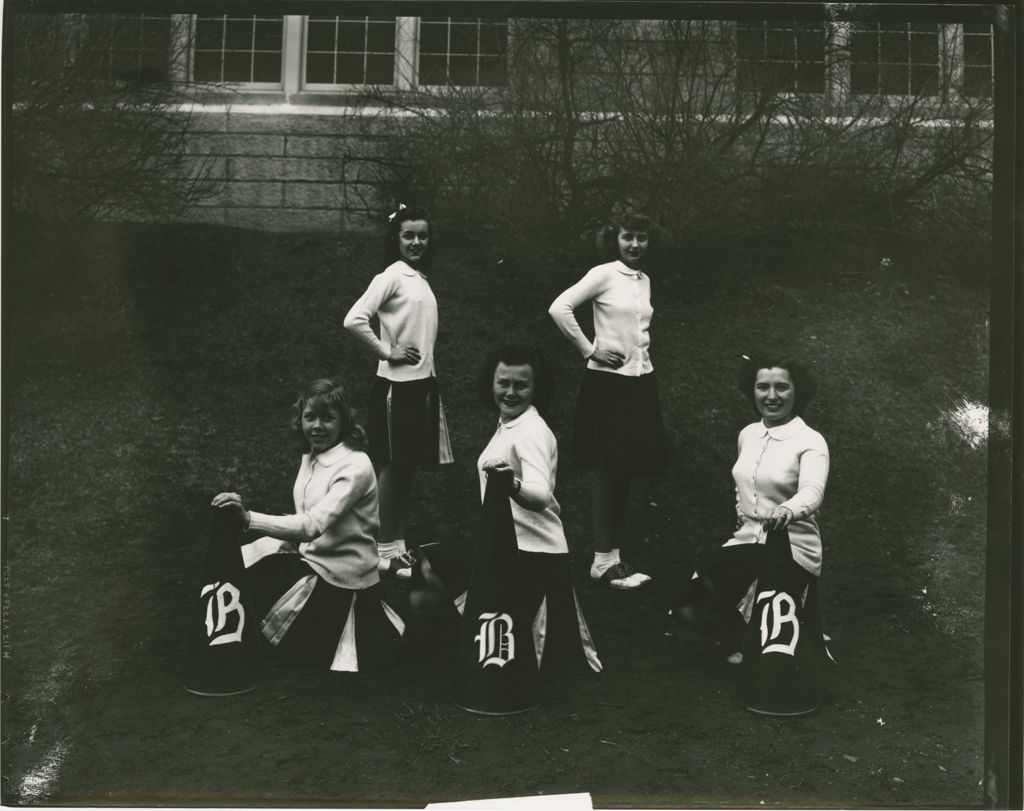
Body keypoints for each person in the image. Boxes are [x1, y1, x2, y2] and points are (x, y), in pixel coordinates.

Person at [412, 344, 602, 677]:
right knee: (428, 568)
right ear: (491, 383)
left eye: (521, 385)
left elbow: (541, 494)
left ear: (536, 388)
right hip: (506, 545)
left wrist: (511, 484)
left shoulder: (531, 432)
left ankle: (435, 649)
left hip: (533, 555)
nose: (510, 392)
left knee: (428, 567)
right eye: (504, 383)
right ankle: (443, 647)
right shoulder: (511, 425)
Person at [211, 379, 405, 671]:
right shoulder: (311, 456)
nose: (317, 426)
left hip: (340, 579)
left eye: (328, 418)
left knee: (295, 646)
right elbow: (305, 520)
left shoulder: (356, 466)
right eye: (309, 417)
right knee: (248, 558)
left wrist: (249, 518)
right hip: (313, 558)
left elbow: (312, 524)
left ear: (344, 422)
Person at [669, 355, 830, 663]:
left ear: (798, 391)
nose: (771, 396)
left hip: (793, 547)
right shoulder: (747, 434)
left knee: (731, 573)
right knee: (692, 597)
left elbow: (813, 492)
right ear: (751, 390)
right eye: (762, 387)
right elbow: (741, 486)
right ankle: (744, 634)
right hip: (747, 540)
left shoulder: (811, 441)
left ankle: (766, 634)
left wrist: (786, 511)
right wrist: (744, 525)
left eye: (781, 387)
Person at [548, 211, 670, 590]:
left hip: (639, 384)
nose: (634, 245)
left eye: (641, 238)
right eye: (628, 237)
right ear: (614, 239)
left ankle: (614, 558)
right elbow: (559, 308)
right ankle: (603, 561)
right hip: (607, 385)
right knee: (608, 469)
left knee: (626, 470)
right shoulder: (603, 273)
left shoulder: (645, 280)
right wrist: (590, 350)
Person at [344, 205, 453, 580]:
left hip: (421, 384)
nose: (417, 242)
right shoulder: (390, 276)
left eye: (423, 235)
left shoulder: (419, 278)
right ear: (396, 238)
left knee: (406, 469)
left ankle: (397, 543)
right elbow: (355, 318)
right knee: (393, 466)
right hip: (396, 387)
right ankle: (384, 550)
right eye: (409, 235)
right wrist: (387, 352)